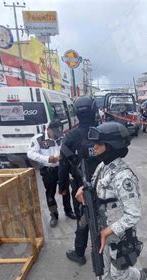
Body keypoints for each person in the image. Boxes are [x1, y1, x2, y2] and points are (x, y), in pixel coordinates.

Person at [75, 121, 147, 280]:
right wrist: (84, 189)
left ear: (112, 146)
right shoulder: (103, 166)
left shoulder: (123, 177)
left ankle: (140, 276)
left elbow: (134, 214)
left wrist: (109, 231)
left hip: (117, 234)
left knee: (118, 273)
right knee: (101, 267)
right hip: (100, 228)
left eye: (99, 144)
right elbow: (95, 186)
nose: (95, 147)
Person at [60, 96, 100, 265]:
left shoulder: (70, 136)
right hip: (104, 183)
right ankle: (105, 250)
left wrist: (62, 186)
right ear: (94, 111)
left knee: (83, 219)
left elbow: (62, 165)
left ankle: (79, 253)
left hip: (80, 186)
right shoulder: (103, 131)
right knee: (103, 215)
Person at [27, 121, 76, 228]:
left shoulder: (62, 137)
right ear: (48, 129)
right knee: (50, 194)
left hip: (62, 168)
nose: (57, 135)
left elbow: (66, 150)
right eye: (55, 133)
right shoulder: (38, 139)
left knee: (65, 191)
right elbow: (30, 153)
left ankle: (68, 211)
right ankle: (54, 215)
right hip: (48, 170)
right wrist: (47, 159)